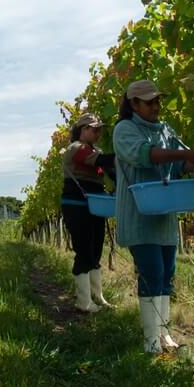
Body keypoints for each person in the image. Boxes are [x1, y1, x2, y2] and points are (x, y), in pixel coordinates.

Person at [113, 79, 194, 353]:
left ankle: (165, 336)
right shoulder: (124, 129)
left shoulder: (166, 130)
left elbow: (180, 164)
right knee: (152, 273)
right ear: (133, 104)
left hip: (164, 215)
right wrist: (184, 153)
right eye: (149, 102)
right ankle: (150, 340)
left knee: (167, 276)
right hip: (139, 216)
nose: (156, 106)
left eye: (157, 101)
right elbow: (145, 155)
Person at [61, 113, 115, 312]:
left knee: (95, 250)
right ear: (82, 130)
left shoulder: (95, 151)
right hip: (76, 205)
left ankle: (97, 297)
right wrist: (122, 156)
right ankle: (83, 302)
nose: (98, 132)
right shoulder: (76, 149)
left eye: (99, 129)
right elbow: (100, 161)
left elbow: (108, 169)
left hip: (95, 205)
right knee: (83, 250)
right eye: (94, 129)